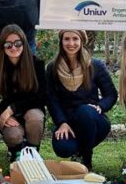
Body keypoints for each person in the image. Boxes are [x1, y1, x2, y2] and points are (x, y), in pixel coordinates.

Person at [46, 29, 117, 169]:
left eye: (75, 39)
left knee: (84, 111)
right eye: (66, 39)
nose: (71, 43)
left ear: (82, 41)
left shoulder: (95, 65)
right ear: (61, 41)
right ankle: (79, 150)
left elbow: (111, 94)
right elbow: (51, 99)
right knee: (63, 149)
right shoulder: (52, 68)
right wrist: (62, 123)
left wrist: (101, 106)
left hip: (94, 119)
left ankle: (86, 159)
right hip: (69, 121)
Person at [0, 25, 47, 158]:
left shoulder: (36, 64)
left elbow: (42, 96)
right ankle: (16, 153)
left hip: (31, 109)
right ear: (2, 46)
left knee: (35, 118)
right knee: (14, 136)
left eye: (17, 43)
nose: (13, 47)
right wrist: (1, 114)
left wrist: (13, 108)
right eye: (8, 44)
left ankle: (33, 153)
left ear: (24, 43)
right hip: (7, 113)